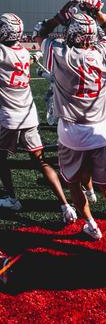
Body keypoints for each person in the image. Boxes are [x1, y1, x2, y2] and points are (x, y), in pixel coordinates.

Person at [34, 0, 106, 256]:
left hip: (71, 133)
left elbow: (40, 34)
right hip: (99, 131)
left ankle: (91, 225)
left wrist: (61, 16)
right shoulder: (103, 51)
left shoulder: (60, 53)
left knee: (73, 184)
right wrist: (98, 12)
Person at [0, 12, 77, 223]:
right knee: (41, 162)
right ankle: (65, 205)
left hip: (9, 117)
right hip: (29, 115)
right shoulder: (24, 53)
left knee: (1, 159)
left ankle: (11, 197)